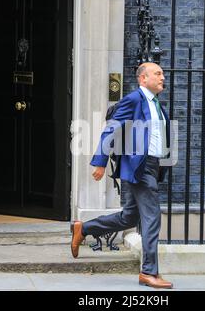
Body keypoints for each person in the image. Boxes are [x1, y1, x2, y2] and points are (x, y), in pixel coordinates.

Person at [71, 62, 173, 289]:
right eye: (158, 73)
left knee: (129, 217)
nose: (162, 77)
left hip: (149, 166)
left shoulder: (156, 104)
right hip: (139, 167)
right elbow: (112, 128)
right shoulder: (134, 100)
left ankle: (84, 229)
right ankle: (148, 272)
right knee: (152, 216)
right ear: (143, 79)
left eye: (163, 74)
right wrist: (100, 161)